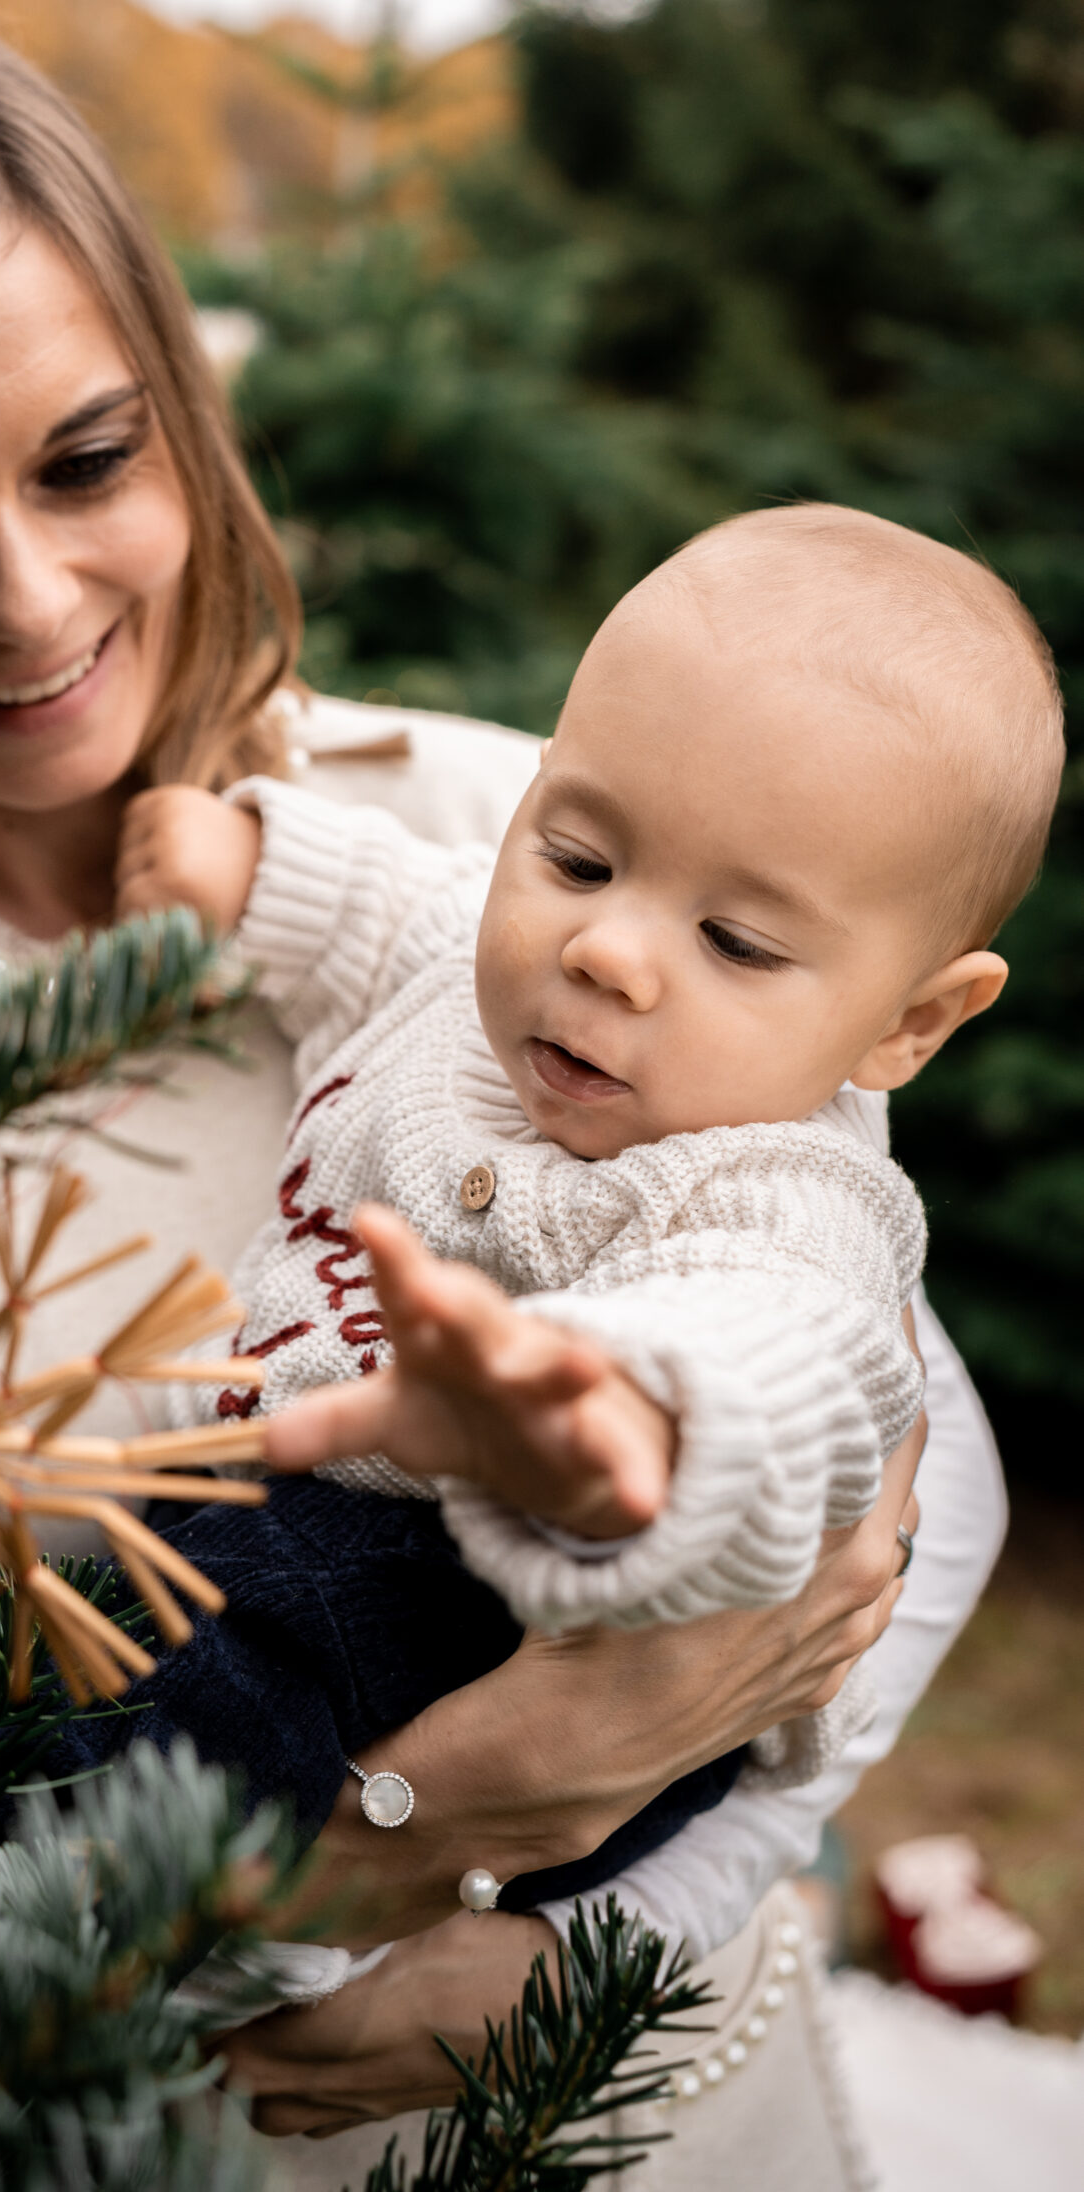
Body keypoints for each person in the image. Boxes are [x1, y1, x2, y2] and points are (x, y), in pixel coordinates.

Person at [0, 9, 998, 2191]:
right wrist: (370, 1865)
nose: (26, 599)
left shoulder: (532, 831)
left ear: (187, 428)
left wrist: (623, 1916)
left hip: (677, 2116)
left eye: (87, 459)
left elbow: (915, 1459)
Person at [61, 507, 1055, 1991]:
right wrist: (254, 871)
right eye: (581, 855)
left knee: (188, 1686)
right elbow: (397, 907)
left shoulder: (784, 1187)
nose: (606, 949)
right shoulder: (492, 963)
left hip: (492, 1603)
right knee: (124, 1619)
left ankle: (45, 1937)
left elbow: (794, 1347)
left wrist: (621, 1413)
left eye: (735, 943)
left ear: (911, 1022)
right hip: (294, 1506)